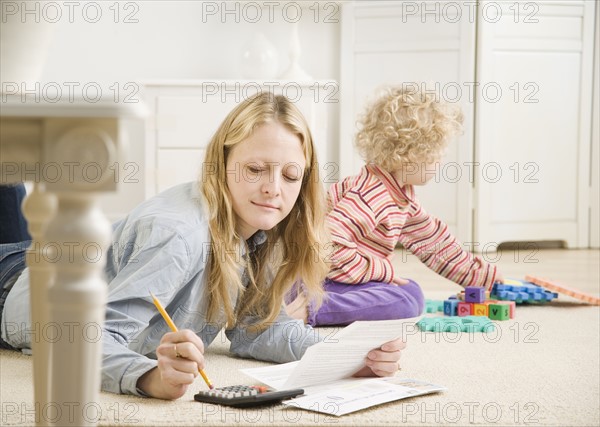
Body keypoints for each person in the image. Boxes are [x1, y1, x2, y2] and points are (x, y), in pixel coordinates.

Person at [0, 92, 405, 400]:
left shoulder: (261, 228)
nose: (273, 188)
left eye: (290, 175)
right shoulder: (179, 236)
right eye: (255, 169)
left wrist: (347, 355)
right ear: (221, 162)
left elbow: (256, 332)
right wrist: (147, 378)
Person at [286, 86, 502, 326]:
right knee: (408, 300)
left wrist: (483, 278)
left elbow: (434, 243)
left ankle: (314, 302)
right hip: (317, 279)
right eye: (437, 155)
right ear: (411, 155)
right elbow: (327, 246)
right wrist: (382, 271)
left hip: (342, 277)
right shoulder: (371, 194)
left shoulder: (401, 197)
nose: (440, 162)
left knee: (410, 291)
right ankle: (313, 307)